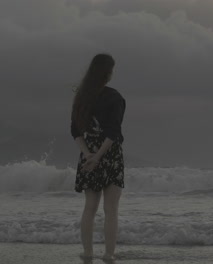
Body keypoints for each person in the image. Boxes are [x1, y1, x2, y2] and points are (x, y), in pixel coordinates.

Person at [70, 53, 126, 261]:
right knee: (111, 209)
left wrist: (89, 155)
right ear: (107, 72)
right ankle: (109, 255)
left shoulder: (81, 96)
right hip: (110, 154)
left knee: (90, 207)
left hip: (89, 152)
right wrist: (99, 156)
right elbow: (113, 132)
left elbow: (75, 131)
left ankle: (87, 253)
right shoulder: (114, 97)